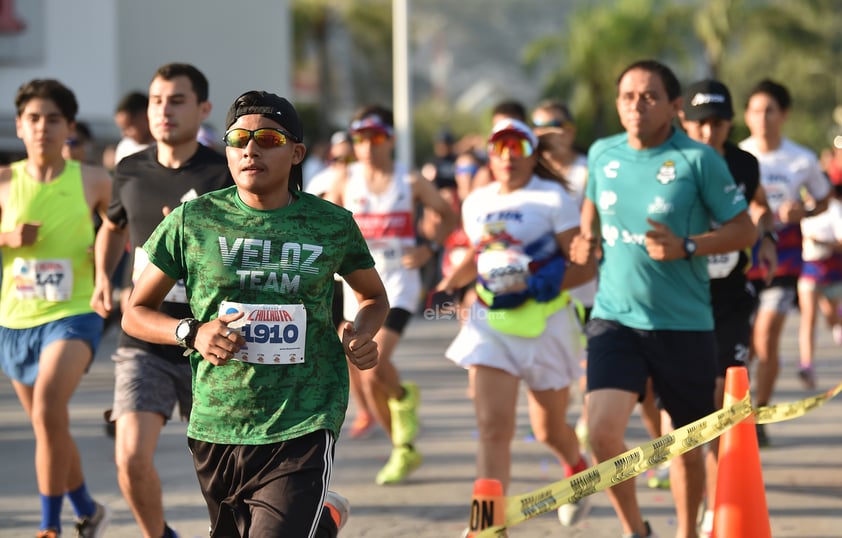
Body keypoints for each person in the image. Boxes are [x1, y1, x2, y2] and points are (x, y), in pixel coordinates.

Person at [121, 89, 389, 537]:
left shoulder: (333, 224)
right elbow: (135, 313)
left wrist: (360, 335)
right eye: (238, 139)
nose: (251, 149)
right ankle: (321, 522)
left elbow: (373, 298)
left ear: (296, 152)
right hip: (218, 418)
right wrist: (193, 332)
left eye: (268, 139)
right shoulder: (194, 220)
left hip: (304, 415)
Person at [570, 60, 755, 538]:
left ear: (674, 107)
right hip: (615, 318)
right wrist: (586, 236)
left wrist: (687, 245)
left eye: (649, 96)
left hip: (685, 323)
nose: (637, 106)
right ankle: (637, 530)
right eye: (628, 96)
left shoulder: (699, 160)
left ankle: (687, 533)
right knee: (603, 433)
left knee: (683, 446)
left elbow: (744, 229)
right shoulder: (602, 153)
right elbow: (594, 198)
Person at [89, 63, 234, 538]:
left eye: (177, 101)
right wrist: (102, 280)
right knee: (129, 458)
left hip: (213, 341)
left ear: (203, 109)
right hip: (146, 332)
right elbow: (113, 227)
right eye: (156, 101)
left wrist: (193, 235)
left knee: (225, 474)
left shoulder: (224, 174)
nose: (164, 111)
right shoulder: (130, 170)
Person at [440, 118, 596, 528]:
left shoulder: (553, 198)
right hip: (490, 325)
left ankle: (576, 465)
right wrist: (455, 282)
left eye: (518, 148)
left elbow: (584, 267)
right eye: (499, 148)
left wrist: (543, 281)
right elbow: (483, 256)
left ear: (532, 154)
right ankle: (487, 524)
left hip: (546, 325)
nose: (508, 157)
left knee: (548, 429)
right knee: (493, 428)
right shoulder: (476, 201)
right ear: (490, 155)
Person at [0, 79, 112, 538]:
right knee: (49, 425)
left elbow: (119, 227)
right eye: (34, 118)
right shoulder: (5, 182)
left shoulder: (91, 179)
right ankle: (87, 508)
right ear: (19, 126)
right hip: (16, 319)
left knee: (48, 409)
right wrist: (8, 238)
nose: (42, 127)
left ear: (68, 128)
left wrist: (105, 263)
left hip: (74, 312)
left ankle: (50, 527)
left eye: (52, 119)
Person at [325, 104, 456, 485]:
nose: (367, 146)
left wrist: (430, 249)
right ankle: (403, 447)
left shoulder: (409, 180)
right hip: (356, 285)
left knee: (377, 362)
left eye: (375, 138)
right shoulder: (342, 180)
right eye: (360, 139)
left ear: (390, 139)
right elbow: (324, 223)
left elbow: (447, 213)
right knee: (366, 377)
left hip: (399, 283)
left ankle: (401, 400)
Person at [677, 78, 778, 535]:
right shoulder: (670, 162)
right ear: (685, 122)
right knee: (677, 414)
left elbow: (760, 205)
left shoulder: (744, 163)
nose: (707, 132)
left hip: (730, 295)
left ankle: (720, 506)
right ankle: (692, 498)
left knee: (722, 398)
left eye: (717, 123)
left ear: (729, 124)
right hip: (680, 295)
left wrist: (768, 234)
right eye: (699, 123)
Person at [739, 79, 832, 445]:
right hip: (742, 259)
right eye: (756, 110)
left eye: (770, 110)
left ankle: (760, 412)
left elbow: (823, 200)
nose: (762, 118)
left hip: (784, 258)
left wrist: (804, 210)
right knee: (743, 343)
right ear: (746, 115)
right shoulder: (735, 156)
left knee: (767, 335)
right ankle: (739, 411)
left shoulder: (802, 158)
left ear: (784, 115)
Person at [796, 182, 842, 383]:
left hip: (832, 270)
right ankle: (807, 365)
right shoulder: (801, 210)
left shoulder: (834, 208)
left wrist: (821, 242)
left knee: (831, 316)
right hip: (809, 269)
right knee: (809, 318)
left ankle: (837, 324)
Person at [112, 91, 154, 166]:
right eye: (122, 128)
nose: (124, 134)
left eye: (129, 127)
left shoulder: (167, 147)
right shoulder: (125, 148)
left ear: (146, 117)